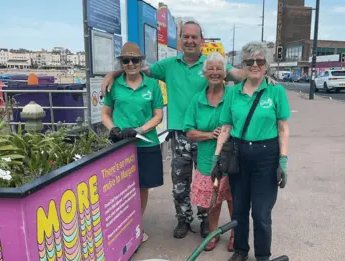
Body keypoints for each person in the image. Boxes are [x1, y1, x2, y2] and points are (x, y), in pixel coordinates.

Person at [100, 21, 276, 239]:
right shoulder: (168, 65)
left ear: (202, 40)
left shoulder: (212, 64)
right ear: (181, 40)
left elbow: (239, 74)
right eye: (186, 37)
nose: (190, 41)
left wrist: (262, 78)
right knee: (180, 181)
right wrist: (112, 74)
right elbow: (135, 68)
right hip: (180, 134)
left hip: (209, 135)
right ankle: (183, 219)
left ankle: (205, 221)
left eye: (195, 37)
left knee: (206, 179)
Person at [212, 41, 291, 261]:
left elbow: (283, 128)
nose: (255, 65)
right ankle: (240, 251)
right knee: (239, 208)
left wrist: (283, 161)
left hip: (266, 157)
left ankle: (263, 257)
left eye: (260, 61)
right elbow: (226, 128)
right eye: (250, 61)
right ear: (243, 65)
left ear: (266, 65)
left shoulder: (275, 91)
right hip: (239, 156)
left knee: (261, 211)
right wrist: (217, 158)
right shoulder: (233, 93)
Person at [101, 42, 164, 243]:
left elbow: (158, 116)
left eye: (135, 60)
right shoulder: (114, 85)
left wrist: (139, 130)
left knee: (142, 187)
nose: (131, 63)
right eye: (126, 60)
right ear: (121, 63)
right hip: (120, 146)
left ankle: (137, 223)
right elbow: (105, 114)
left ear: (140, 61)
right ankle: (120, 226)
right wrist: (113, 129)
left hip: (146, 143)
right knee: (119, 186)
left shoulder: (152, 85)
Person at [183, 52, 234, 251]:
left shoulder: (234, 95)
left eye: (218, 68)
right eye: (210, 69)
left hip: (232, 158)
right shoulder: (197, 99)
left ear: (225, 72)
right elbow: (189, 131)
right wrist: (209, 135)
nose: (214, 72)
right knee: (212, 200)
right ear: (204, 73)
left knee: (233, 199)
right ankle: (213, 234)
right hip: (207, 160)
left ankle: (235, 236)